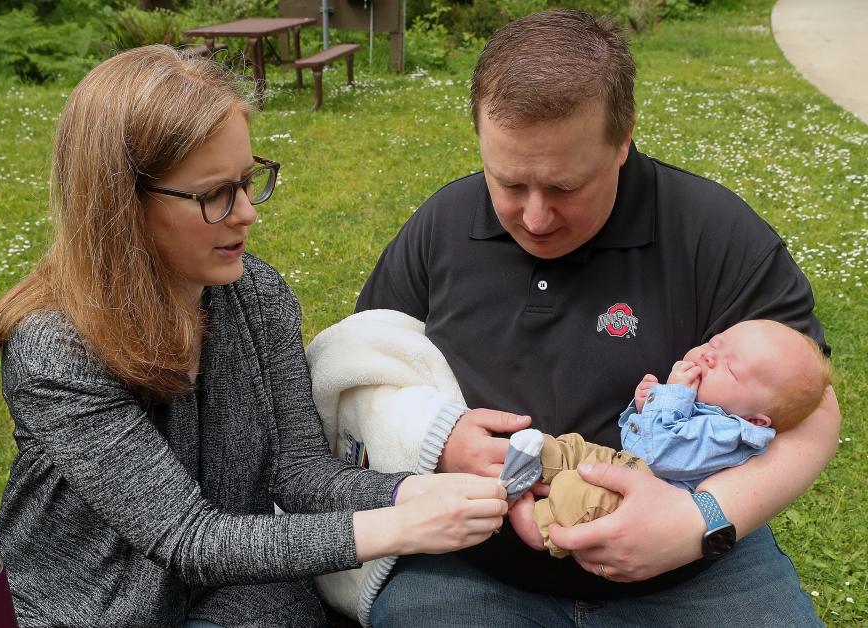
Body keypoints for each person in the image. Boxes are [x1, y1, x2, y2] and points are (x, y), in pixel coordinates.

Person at [0, 45, 507, 628]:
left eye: (248, 180)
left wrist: (413, 493)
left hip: (230, 590)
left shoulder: (254, 295)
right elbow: (188, 538)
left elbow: (299, 472)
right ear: (121, 205)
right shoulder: (56, 349)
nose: (248, 212)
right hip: (87, 608)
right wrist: (400, 526)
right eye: (214, 195)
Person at [355, 9, 840, 627]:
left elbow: (814, 406)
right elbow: (361, 370)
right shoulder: (442, 226)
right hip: (472, 564)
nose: (534, 218)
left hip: (694, 571)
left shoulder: (716, 236)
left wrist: (699, 521)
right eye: (507, 183)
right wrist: (429, 440)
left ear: (624, 138)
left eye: (564, 187)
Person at [504, 319, 833, 557]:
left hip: (644, 500)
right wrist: (645, 404)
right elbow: (638, 438)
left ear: (753, 418)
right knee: (574, 447)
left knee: (580, 494)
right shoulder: (705, 406)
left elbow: (660, 454)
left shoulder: (729, 433)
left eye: (730, 369)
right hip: (627, 464)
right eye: (716, 343)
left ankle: (539, 528)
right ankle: (537, 460)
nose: (708, 356)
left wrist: (671, 396)